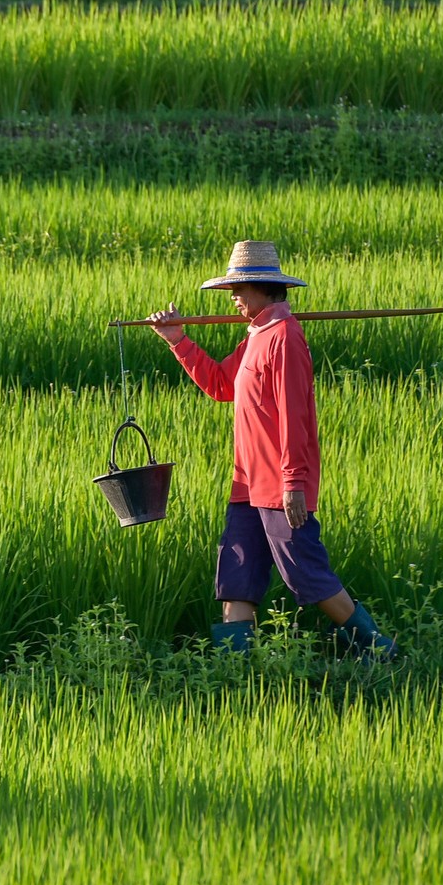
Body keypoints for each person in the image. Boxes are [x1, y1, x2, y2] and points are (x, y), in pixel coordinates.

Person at [146, 240, 396, 660]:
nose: (233, 298)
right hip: (245, 483)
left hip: (279, 486)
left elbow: (295, 414)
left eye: (239, 289)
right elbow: (221, 386)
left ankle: (379, 650)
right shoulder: (255, 337)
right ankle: (233, 671)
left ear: (264, 287)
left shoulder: (284, 336)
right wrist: (177, 340)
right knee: (236, 575)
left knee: (306, 574)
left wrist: (294, 482)